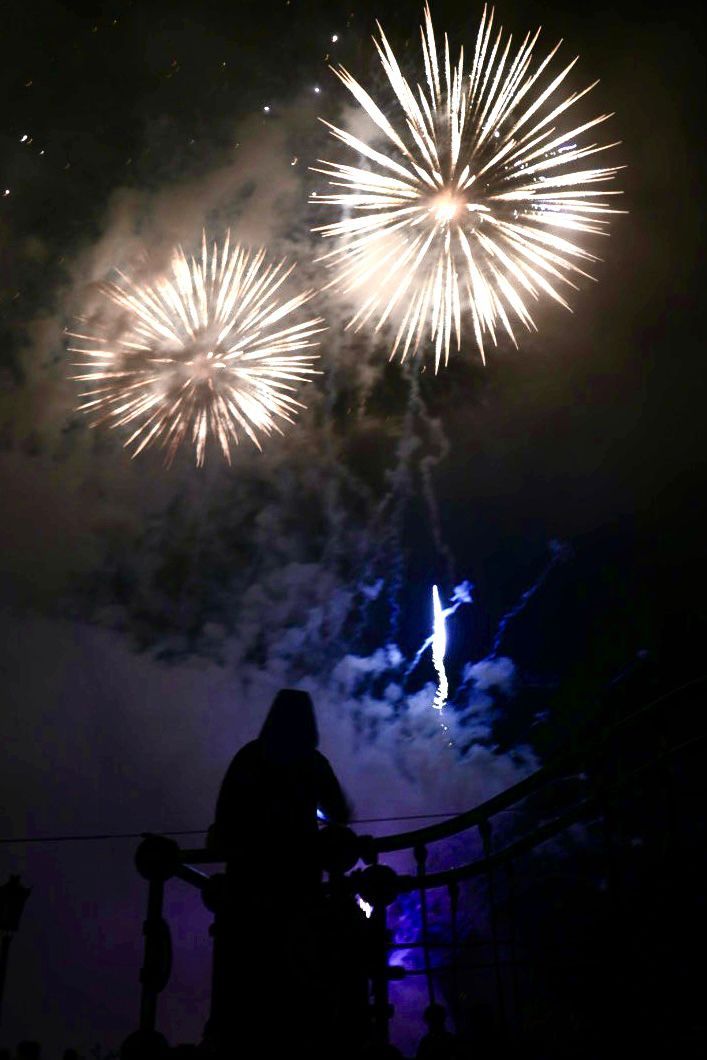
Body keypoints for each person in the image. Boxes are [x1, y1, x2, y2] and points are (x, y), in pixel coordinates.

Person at [206, 689, 351, 1056]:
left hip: (246, 889)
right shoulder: (313, 763)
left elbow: (223, 817)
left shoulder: (249, 758)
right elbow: (340, 812)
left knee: (244, 990)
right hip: (298, 889)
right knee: (295, 988)